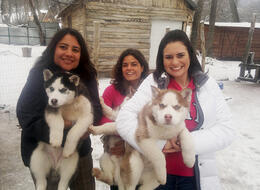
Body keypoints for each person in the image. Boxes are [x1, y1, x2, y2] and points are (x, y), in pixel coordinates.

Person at [116, 30, 235, 190]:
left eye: (180, 55)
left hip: (195, 176)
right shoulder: (154, 83)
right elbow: (124, 119)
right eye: (168, 57)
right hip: (157, 176)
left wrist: (186, 143)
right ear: (162, 59)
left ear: (190, 55)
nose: (175, 62)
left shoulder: (207, 85)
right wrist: (158, 144)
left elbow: (227, 129)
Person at [16, 28, 102, 190]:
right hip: (44, 150)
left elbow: (95, 110)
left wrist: (79, 127)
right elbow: (25, 115)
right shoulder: (39, 74)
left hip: (78, 150)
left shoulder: (86, 74)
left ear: (81, 54)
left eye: (75, 49)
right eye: (63, 47)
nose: (69, 53)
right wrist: (67, 124)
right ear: (53, 48)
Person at [99, 48, 149, 190]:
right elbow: (103, 120)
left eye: (134, 64)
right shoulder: (112, 90)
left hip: (144, 152)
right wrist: (121, 137)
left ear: (142, 67)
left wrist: (129, 142)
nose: (129, 68)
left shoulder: (149, 90)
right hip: (116, 148)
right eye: (125, 65)